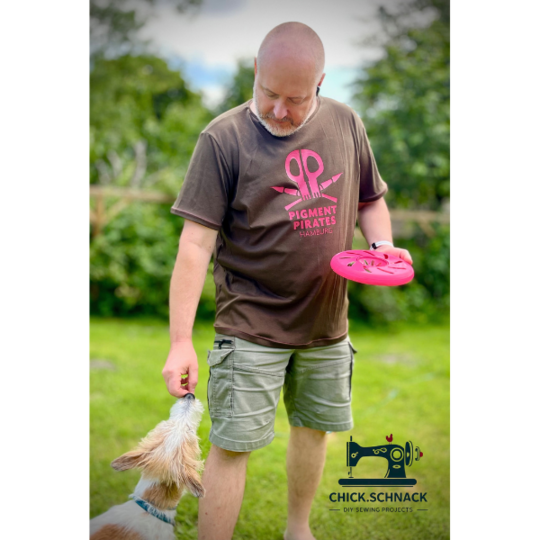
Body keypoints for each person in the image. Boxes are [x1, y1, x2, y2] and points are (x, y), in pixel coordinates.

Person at [162, 22, 412, 540]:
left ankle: (298, 530)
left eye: (295, 99)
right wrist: (180, 341)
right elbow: (194, 246)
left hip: (326, 323)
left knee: (314, 429)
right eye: (268, 92)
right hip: (250, 323)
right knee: (232, 444)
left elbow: (370, 199)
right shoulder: (222, 138)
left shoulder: (346, 123)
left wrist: (381, 247)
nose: (278, 110)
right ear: (256, 71)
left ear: (320, 82)